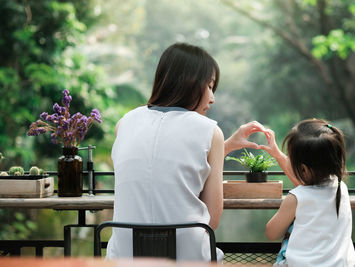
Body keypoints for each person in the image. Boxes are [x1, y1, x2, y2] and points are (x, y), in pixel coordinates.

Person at [106, 42, 266, 261]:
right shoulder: (210, 131)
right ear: (189, 83)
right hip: (187, 259)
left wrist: (225, 147)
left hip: (124, 259)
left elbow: (158, 162)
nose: (212, 98)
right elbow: (212, 219)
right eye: (209, 86)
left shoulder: (124, 123)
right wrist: (220, 145)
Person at [261, 119, 355, 267]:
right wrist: (277, 154)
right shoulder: (341, 188)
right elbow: (308, 187)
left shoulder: (296, 198)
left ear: (304, 170)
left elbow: (272, 233)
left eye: (290, 157)